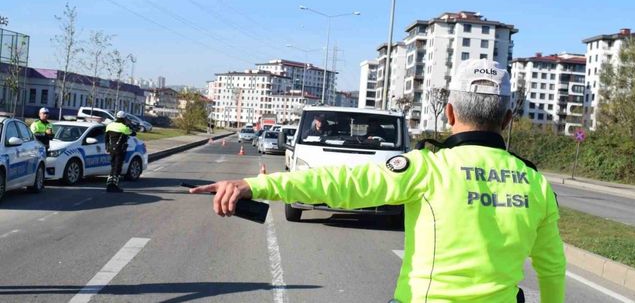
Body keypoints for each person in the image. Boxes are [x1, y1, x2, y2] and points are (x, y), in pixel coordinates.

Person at [190, 59, 566, 303]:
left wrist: (258, 186)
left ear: (449, 112)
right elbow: (551, 268)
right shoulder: (536, 184)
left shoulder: (428, 168)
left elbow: (341, 184)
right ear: (508, 119)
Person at [105, 110, 135, 193]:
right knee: (117, 168)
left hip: (111, 149)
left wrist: (106, 147)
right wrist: (129, 125)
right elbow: (133, 133)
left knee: (113, 166)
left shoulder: (109, 126)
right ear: (124, 118)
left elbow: (106, 138)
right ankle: (114, 186)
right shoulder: (124, 127)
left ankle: (109, 184)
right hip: (120, 149)